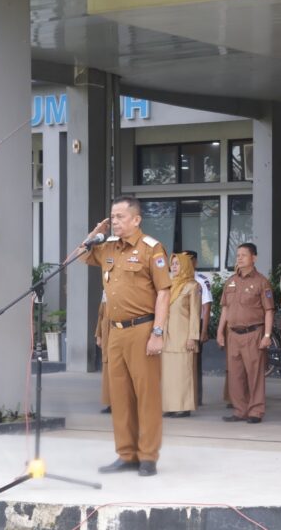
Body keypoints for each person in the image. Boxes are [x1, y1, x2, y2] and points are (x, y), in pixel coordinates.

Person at [81, 195, 171, 477]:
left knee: (146, 397)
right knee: (119, 397)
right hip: (115, 332)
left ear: (136, 219)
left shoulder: (151, 249)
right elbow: (81, 254)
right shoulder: (106, 247)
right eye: (112, 217)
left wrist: (158, 332)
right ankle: (126, 453)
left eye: (120, 217)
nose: (115, 222)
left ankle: (147, 457)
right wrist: (96, 231)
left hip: (143, 330)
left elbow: (164, 293)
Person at [216, 243, 274, 423]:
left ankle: (255, 411)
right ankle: (239, 410)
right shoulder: (231, 281)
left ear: (254, 258)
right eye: (238, 255)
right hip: (232, 334)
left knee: (254, 374)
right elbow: (225, 309)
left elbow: (269, 310)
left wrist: (267, 335)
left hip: (253, 334)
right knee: (235, 374)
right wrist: (219, 332)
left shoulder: (261, 282)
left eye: (244, 255)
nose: (239, 258)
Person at [161, 253, 202, 418]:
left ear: (186, 265)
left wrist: (193, 336)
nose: (175, 266)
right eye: (173, 264)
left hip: (184, 337)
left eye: (178, 263)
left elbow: (195, 313)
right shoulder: (168, 285)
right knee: (169, 374)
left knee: (183, 374)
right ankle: (171, 406)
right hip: (167, 337)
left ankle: (183, 407)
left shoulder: (192, 286)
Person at [182, 250, 213, 408]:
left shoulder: (201, 280)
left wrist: (204, 330)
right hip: (179, 326)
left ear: (195, 262)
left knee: (194, 363)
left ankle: (196, 397)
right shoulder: (177, 280)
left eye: (189, 260)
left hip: (196, 324)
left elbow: (206, 306)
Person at [95, 291, 111, 414]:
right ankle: (110, 403)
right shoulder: (105, 291)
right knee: (107, 368)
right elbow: (101, 315)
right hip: (107, 334)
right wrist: (98, 335)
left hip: (119, 331)